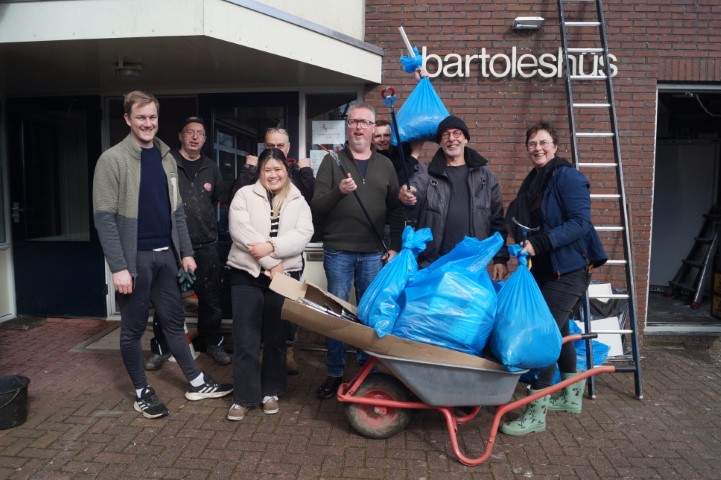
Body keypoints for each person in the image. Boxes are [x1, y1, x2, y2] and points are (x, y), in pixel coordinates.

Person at [92, 91, 232, 419]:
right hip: (135, 259)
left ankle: (196, 381)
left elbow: (177, 212)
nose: (148, 123)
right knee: (132, 328)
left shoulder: (166, 157)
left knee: (174, 321)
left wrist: (184, 252)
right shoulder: (111, 160)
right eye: (141, 117)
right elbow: (104, 218)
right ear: (128, 119)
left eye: (152, 117)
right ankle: (142, 390)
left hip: (166, 256)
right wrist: (119, 267)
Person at [500, 120, 607, 436]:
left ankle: (536, 413)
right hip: (546, 270)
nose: (538, 148)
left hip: (570, 269)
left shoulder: (567, 177)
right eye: (532, 143)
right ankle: (571, 400)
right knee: (557, 330)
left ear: (555, 146)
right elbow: (515, 219)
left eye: (543, 142)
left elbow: (580, 223)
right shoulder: (533, 182)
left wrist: (540, 243)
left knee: (544, 334)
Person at [311, 102, 404, 400]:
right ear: (347, 127)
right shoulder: (332, 162)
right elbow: (317, 206)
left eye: (365, 122)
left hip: (374, 253)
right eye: (354, 122)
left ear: (374, 128)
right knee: (337, 314)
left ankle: (367, 371)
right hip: (339, 249)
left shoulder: (386, 165)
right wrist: (340, 191)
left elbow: (396, 210)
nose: (359, 127)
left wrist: (395, 248)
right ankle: (334, 372)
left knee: (369, 313)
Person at [225, 148, 313, 420]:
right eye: (267, 169)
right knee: (245, 337)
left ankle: (271, 392)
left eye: (278, 169)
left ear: (286, 171)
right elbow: (241, 233)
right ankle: (245, 396)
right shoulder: (244, 195)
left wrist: (272, 248)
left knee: (276, 336)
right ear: (260, 171)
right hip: (246, 274)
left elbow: (304, 234)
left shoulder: (298, 199)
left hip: (284, 276)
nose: (273, 174)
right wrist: (270, 263)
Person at [145, 116, 230, 371]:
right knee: (165, 300)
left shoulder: (212, 168)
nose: (195, 137)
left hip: (206, 245)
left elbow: (216, 199)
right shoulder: (166, 163)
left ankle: (211, 343)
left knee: (211, 300)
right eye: (190, 132)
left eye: (200, 133)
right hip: (171, 246)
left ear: (204, 139)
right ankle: (162, 347)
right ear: (181, 136)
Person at [398, 115, 509, 277]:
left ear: (466, 139)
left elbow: (497, 220)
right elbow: (414, 187)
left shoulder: (486, 177)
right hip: (434, 263)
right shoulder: (426, 172)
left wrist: (500, 258)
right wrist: (406, 193)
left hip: (472, 263)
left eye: (457, 133)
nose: (451, 138)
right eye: (445, 135)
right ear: (440, 142)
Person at [372, 120, 422, 187]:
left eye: (386, 135)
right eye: (377, 136)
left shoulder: (400, 152)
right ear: (372, 139)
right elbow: (396, 183)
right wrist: (414, 154)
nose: (382, 139)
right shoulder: (372, 159)